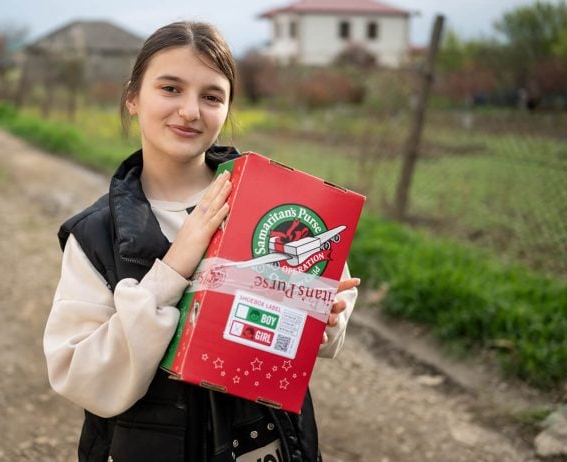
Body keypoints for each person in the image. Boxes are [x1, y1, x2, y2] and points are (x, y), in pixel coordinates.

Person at [43, 21, 360, 462]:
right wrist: (172, 270)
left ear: (227, 109)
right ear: (132, 97)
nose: (190, 110)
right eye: (170, 88)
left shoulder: (276, 199)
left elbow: (324, 326)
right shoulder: (95, 235)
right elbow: (79, 374)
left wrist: (322, 319)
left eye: (211, 96)